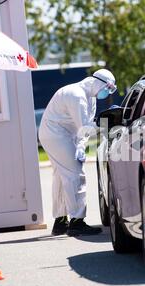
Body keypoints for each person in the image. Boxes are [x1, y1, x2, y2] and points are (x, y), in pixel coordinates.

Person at [39, 69, 117, 236]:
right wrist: (107, 122)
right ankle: (77, 221)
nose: (107, 92)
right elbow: (86, 127)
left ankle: (60, 222)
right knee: (75, 175)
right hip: (56, 135)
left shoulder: (90, 97)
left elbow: (84, 128)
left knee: (61, 176)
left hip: (59, 134)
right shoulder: (77, 95)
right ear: (97, 82)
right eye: (108, 88)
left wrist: (81, 146)